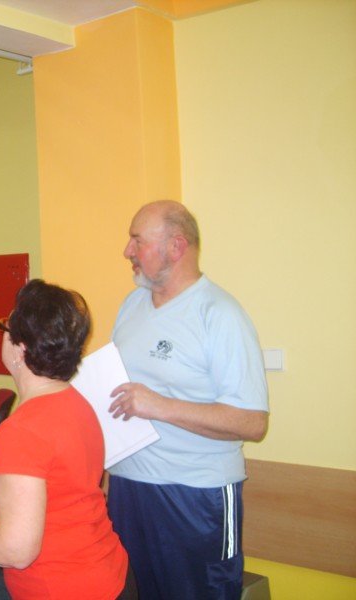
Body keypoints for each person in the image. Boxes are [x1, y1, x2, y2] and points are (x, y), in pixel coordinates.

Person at [0, 279, 136, 600]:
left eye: (6, 326)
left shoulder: (24, 429)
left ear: (21, 349)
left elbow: (15, 551)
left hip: (62, 589)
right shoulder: (72, 401)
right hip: (108, 573)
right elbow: (17, 459)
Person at [106, 200, 269, 599]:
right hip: (128, 488)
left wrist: (159, 405)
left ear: (176, 246)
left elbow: (253, 422)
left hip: (195, 494)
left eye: (137, 241)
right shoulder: (131, 305)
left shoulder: (220, 314)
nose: (127, 251)